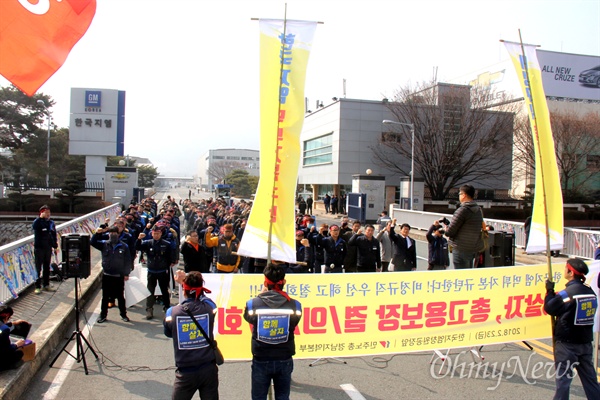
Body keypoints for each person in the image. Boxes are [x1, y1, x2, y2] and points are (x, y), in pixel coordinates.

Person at [243, 264, 302, 400]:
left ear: (265, 282)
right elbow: (295, 322)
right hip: (284, 357)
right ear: (284, 282)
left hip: (261, 357)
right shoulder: (295, 305)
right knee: (282, 396)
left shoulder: (253, 304)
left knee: (258, 397)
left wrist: (261, 295)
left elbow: (248, 318)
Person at [544, 259, 600, 400]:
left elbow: (550, 308)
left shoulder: (567, 294)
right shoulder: (590, 292)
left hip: (567, 345)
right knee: (591, 381)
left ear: (570, 272)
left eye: (565, 269)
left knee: (563, 382)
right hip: (585, 343)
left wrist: (549, 291)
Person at [164, 271, 219, 400]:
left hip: (185, 372)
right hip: (208, 369)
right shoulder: (210, 307)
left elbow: (168, 333)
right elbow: (207, 300)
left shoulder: (172, 312)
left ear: (184, 291)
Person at [91, 226, 132, 323]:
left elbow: (128, 261)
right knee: (105, 297)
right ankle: (103, 315)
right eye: (111, 233)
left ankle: (123, 314)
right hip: (107, 275)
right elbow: (92, 242)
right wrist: (97, 234)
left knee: (120, 297)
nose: (113, 235)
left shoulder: (124, 246)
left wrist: (126, 273)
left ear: (118, 234)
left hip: (119, 275)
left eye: (115, 233)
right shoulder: (104, 244)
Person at [137, 224, 178, 320]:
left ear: (161, 234)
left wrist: (170, 263)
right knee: (150, 291)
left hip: (162, 270)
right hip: (151, 271)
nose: (156, 235)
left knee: (164, 290)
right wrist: (138, 239)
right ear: (152, 234)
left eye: (158, 233)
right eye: (154, 233)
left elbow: (170, 255)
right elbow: (138, 247)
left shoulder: (166, 244)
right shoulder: (148, 243)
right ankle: (149, 309)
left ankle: (167, 307)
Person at [445, 184, 483, 269]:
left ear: (464, 195)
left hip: (460, 247)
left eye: (459, 194)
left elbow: (450, 232)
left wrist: (446, 228)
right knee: (467, 273)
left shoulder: (462, 210)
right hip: (472, 248)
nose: (459, 196)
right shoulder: (478, 210)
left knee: (460, 275)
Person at [32, 205, 58, 294]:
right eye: (46, 212)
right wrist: (41, 219)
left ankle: (46, 284)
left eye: (49, 212)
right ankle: (37, 286)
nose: (48, 214)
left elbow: (53, 235)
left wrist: (55, 246)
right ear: (41, 213)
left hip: (48, 248)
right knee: (38, 268)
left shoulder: (51, 223)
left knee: (47, 267)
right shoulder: (37, 222)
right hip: (39, 248)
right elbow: (35, 228)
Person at [0, 305, 31, 371]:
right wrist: (17, 344)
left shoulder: (3, 328)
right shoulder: (5, 329)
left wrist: (12, 323)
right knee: (19, 353)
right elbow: (7, 349)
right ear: (7, 316)